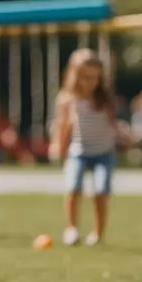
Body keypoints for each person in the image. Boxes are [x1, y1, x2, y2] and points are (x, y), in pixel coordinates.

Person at [51, 48, 131, 246]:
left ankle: (98, 233)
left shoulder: (104, 99)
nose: (90, 82)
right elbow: (63, 125)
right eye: (85, 77)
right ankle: (72, 229)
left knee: (101, 191)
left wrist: (123, 135)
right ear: (74, 76)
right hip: (78, 151)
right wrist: (58, 145)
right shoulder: (67, 99)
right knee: (73, 188)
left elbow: (113, 123)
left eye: (95, 78)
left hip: (104, 152)